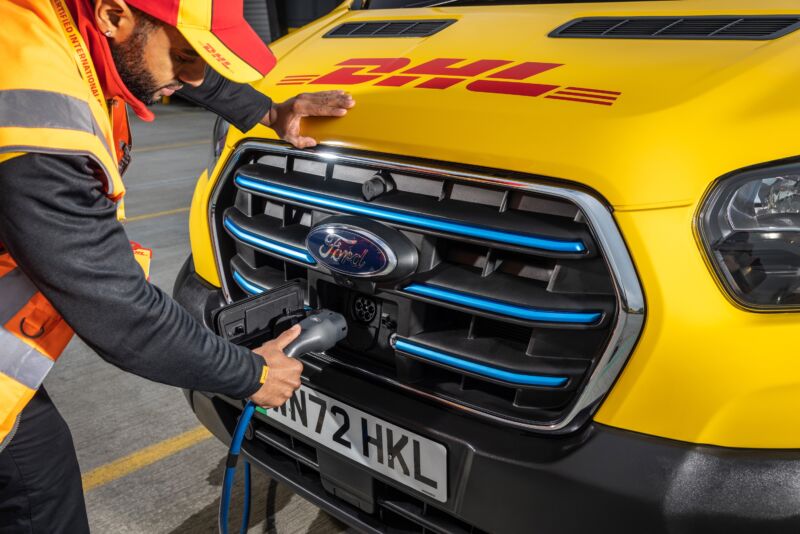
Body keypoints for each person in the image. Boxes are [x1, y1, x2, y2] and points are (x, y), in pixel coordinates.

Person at [0, 0, 355, 531]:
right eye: (187, 54)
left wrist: (265, 111)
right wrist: (249, 373)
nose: (191, 76)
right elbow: (113, 305)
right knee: (39, 503)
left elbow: (165, 66)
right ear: (113, 16)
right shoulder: (38, 127)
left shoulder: (42, 26)